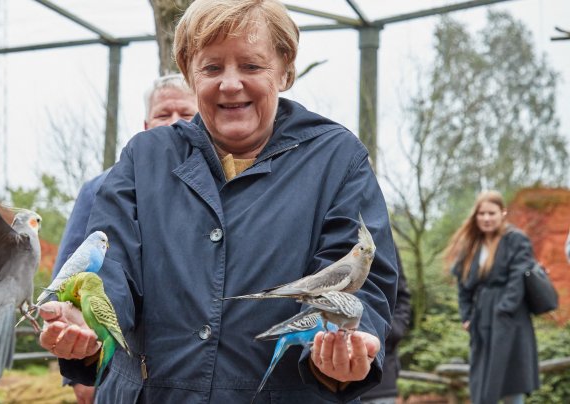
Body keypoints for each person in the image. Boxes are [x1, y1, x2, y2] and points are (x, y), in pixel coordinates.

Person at [39, 0, 398, 402]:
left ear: (285, 69)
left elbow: (358, 274)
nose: (230, 83)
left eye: (251, 66)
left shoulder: (336, 159)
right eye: (211, 68)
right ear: (190, 74)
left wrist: (337, 349)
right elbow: (111, 258)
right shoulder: (145, 158)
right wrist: (88, 321)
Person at [51, 73, 197, 403]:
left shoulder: (223, 190)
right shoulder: (103, 187)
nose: (173, 123)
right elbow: (69, 278)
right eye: (163, 114)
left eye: (185, 114)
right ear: (146, 125)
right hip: (122, 371)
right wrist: (78, 372)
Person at [445, 191, 539, 404]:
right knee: (481, 384)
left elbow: (518, 279)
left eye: (491, 213)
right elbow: (463, 285)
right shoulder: (472, 245)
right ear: (475, 216)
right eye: (482, 213)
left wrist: (504, 310)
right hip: (482, 321)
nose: (486, 218)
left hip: (512, 321)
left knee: (511, 383)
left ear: (502, 213)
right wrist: (466, 317)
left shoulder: (516, 240)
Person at [361, 248, 411, 404]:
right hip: (323, 382)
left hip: (382, 375)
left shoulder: (381, 233)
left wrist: (389, 332)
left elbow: (401, 295)